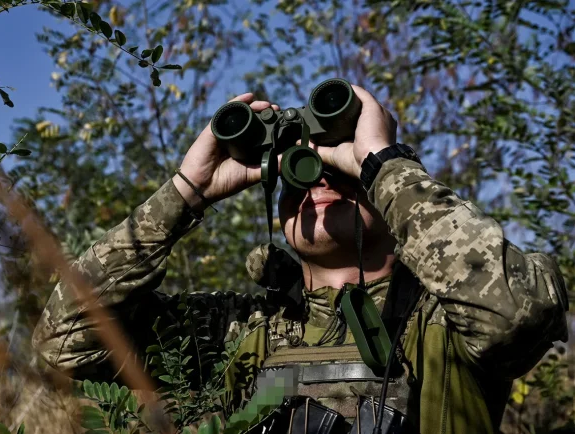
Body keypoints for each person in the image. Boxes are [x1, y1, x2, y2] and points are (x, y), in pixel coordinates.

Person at [32, 85, 569, 434]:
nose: (320, 182)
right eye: (302, 174)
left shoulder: (443, 319)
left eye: (344, 173)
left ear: (390, 196)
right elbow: (64, 340)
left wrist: (381, 162)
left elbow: (514, 313)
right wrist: (186, 191)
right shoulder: (238, 329)